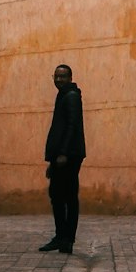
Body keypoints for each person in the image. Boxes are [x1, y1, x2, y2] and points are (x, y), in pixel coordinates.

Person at [39, 63, 85, 254]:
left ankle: (66, 238)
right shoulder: (64, 95)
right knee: (58, 196)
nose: (59, 80)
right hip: (63, 155)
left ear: (70, 78)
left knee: (66, 196)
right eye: (56, 76)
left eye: (63, 76)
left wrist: (64, 153)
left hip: (69, 155)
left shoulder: (71, 96)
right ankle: (62, 237)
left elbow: (72, 126)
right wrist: (52, 161)